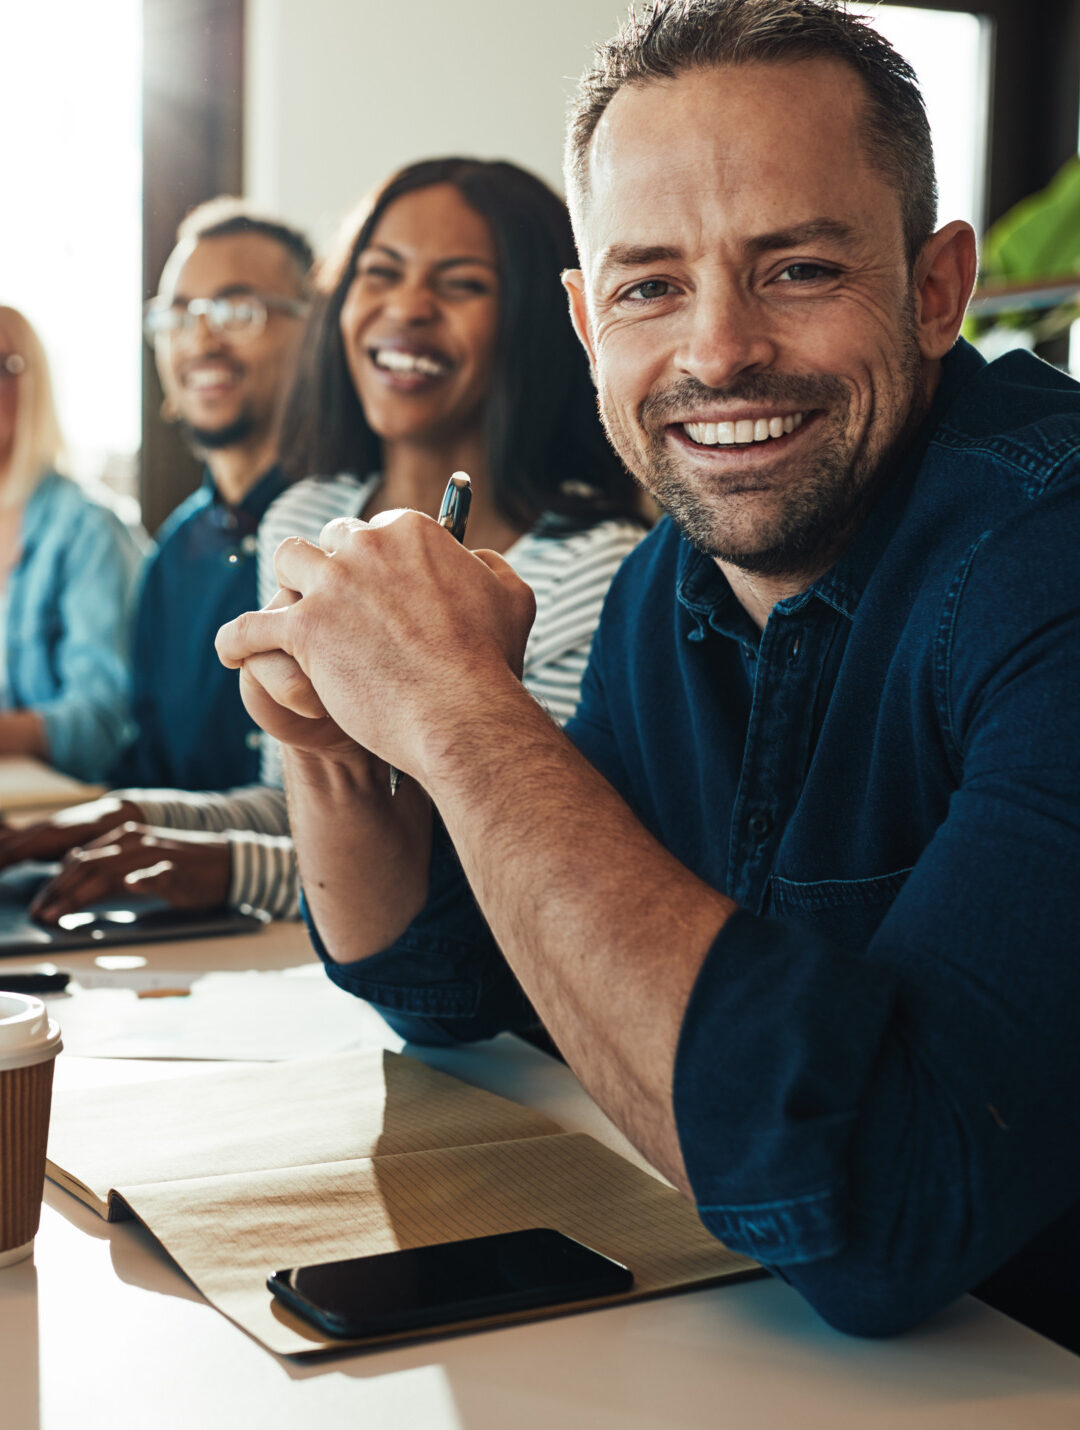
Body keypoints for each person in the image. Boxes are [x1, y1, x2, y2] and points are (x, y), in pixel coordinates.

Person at [217, 0, 1080, 1349]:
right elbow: (469, 991)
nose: (719, 349)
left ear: (934, 289)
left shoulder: (1051, 558)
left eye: (796, 268)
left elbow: (886, 1205)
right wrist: (334, 736)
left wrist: (463, 713)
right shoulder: (666, 584)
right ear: (585, 318)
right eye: (649, 285)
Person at [15, 158, 648, 922]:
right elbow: (301, 805)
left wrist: (232, 871)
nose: (407, 307)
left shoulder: (601, 568)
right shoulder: (303, 517)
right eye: (380, 274)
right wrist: (127, 818)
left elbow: (504, 852)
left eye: (460, 283)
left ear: (541, 322)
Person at [0, 199, 312, 908]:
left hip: (287, 917)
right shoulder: (179, 549)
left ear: (316, 328)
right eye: (177, 316)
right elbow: (151, 760)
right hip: (181, 910)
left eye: (237, 311)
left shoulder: (342, 527)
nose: (199, 339)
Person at [0, 304, 139, 780]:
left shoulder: (88, 530)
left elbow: (99, 726)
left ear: (34, 384)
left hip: (60, 821)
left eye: (4, 367)